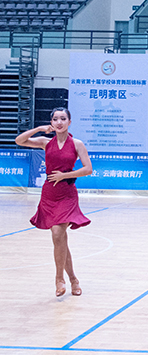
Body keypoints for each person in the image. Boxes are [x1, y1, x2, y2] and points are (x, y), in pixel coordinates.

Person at [15, 108, 92, 297]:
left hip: (67, 193)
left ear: (69, 122)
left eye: (63, 119)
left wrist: (65, 175)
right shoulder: (45, 142)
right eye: (55, 119)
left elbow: (88, 169)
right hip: (49, 193)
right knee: (60, 239)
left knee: (58, 233)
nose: (59, 122)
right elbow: (19, 141)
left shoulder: (77, 144)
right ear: (51, 122)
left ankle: (59, 278)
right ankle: (73, 279)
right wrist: (38, 129)